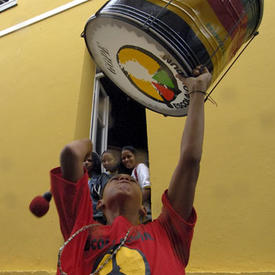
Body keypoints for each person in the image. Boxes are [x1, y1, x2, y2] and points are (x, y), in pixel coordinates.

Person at [50, 65, 212, 274]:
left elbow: (190, 159)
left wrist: (197, 91)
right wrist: (90, 148)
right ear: (99, 204)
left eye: (131, 180)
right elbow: (71, 154)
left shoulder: (166, 232)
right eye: (115, 179)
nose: (124, 178)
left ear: (144, 209)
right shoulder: (81, 233)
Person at [121, 146, 152, 222]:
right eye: (123, 158)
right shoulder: (133, 172)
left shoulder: (141, 167)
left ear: (135, 156)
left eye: (129, 156)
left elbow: (147, 188)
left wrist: (135, 205)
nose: (126, 160)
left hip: (145, 213)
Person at [83, 151, 110, 224]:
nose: (86, 163)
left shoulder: (103, 178)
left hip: (100, 218)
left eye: (89, 160)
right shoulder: (84, 181)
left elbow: (108, 196)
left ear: (96, 162)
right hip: (87, 218)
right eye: (84, 160)